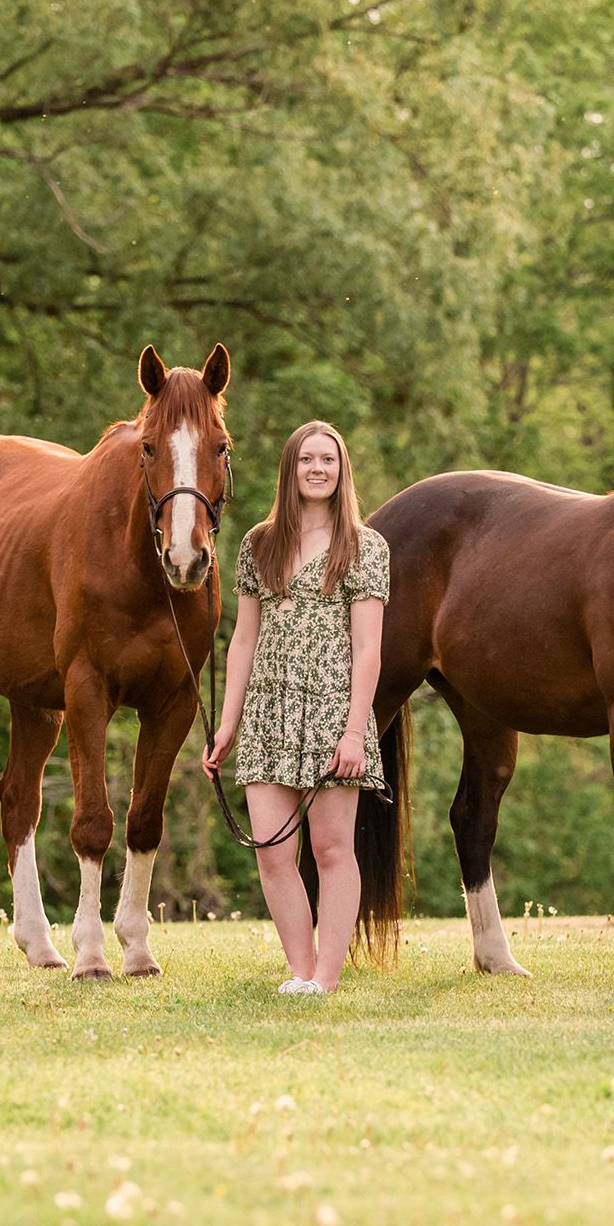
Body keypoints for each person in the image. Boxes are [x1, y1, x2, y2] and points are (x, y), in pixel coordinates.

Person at [203, 421, 389, 995]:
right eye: (306, 459)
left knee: (333, 851)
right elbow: (242, 641)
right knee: (273, 853)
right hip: (268, 710)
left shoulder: (365, 547)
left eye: (327, 460)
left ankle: (325, 979)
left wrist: (354, 733)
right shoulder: (259, 545)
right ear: (290, 468)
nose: (317, 468)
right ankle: (300, 973)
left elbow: (368, 650)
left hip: (334, 710)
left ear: (341, 471)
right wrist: (228, 723)